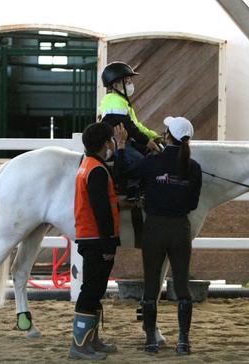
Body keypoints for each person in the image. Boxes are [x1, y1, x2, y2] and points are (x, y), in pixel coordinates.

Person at [114, 116, 202, 355]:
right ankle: (183, 341)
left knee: (152, 284)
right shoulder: (193, 168)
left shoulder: (152, 162)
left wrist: (121, 148)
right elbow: (193, 203)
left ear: (167, 136)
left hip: (154, 228)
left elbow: (125, 173)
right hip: (180, 229)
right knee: (182, 286)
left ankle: (151, 340)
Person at [70, 122, 121, 360]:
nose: (113, 143)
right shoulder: (97, 170)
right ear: (104, 144)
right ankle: (80, 345)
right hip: (96, 239)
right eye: (111, 140)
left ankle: (91, 340)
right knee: (91, 289)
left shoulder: (87, 164)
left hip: (89, 236)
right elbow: (101, 210)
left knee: (94, 288)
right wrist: (109, 244)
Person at [99, 61, 161, 165]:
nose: (130, 84)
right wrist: (147, 141)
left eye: (130, 81)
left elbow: (135, 124)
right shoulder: (114, 101)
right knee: (142, 165)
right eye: (126, 81)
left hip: (124, 140)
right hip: (115, 143)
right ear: (115, 85)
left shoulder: (121, 100)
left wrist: (153, 135)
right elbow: (129, 127)